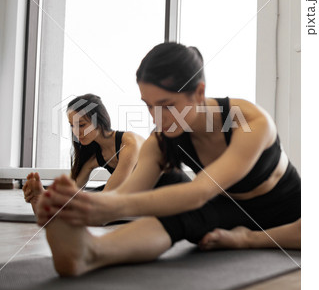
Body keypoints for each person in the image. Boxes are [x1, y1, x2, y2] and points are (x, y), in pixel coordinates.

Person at [35, 43, 301, 277]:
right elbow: (126, 195)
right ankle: (91, 252)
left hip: (290, 211)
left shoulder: (252, 121)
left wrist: (103, 206)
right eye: (149, 106)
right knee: (174, 204)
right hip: (229, 210)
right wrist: (73, 206)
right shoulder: (161, 139)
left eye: (167, 105)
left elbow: (199, 192)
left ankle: (251, 240)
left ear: (198, 92)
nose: (157, 118)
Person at [23, 94, 189, 214]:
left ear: (99, 121)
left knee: (98, 201)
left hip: (171, 188)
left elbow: (113, 193)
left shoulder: (129, 142)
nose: (76, 132)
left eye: (81, 124)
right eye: (72, 126)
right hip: (139, 194)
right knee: (86, 199)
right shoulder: (93, 158)